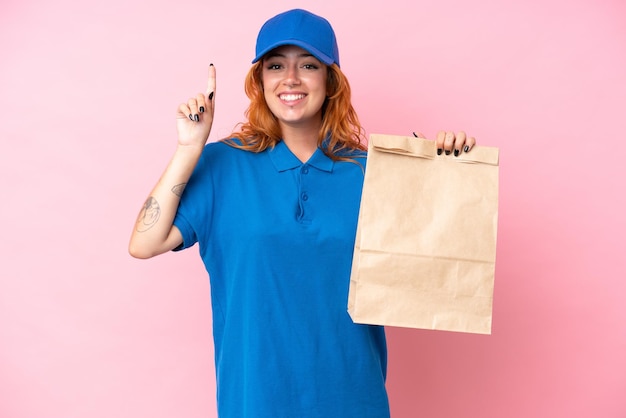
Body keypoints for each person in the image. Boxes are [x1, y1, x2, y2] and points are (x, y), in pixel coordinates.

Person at [129, 8, 476, 418]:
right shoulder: (221, 164)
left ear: (330, 81)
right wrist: (189, 147)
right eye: (276, 65)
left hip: (354, 401)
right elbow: (144, 243)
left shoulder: (374, 172)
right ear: (260, 81)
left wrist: (451, 173)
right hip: (254, 403)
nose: (290, 79)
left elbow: (434, 275)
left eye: (308, 65)